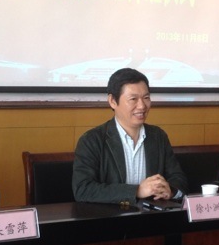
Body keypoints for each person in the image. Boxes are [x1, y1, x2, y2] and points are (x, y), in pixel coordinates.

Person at [72, 68, 188, 204]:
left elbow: (178, 179)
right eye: (133, 99)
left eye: (146, 98)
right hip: (109, 216)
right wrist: (136, 191)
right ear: (112, 101)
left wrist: (170, 190)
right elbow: (83, 189)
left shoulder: (158, 136)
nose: (142, 106)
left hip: (152, 215)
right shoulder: (91, 140)